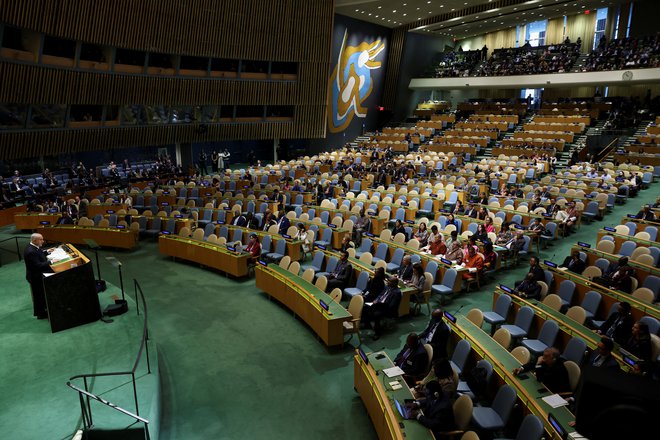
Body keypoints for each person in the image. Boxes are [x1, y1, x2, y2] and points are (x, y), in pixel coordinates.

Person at [24, 233, 55, 319]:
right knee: (39, 295)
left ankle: (44, 309)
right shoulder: (31, 252)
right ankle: (41, 314)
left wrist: (47, 252)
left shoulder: (33, 247)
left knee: (40, 294)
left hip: (36, 273)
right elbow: (38, 265)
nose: (43, 241)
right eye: (41, 239)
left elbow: (39, 253)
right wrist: (51, 262)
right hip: (36, 276)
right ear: (34, 240)